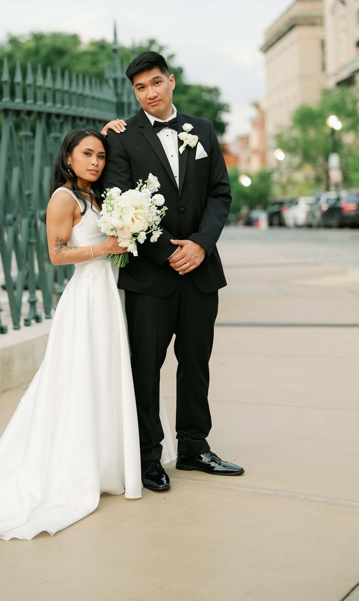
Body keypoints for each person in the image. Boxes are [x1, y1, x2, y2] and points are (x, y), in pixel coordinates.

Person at [0, 130, 173, 545]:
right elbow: (57, 254)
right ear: (69, 158)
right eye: (87, 154)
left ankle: (108, 461)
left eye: (100, 155)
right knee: (80, 378)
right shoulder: (64, 198)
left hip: (108, 295)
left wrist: (124, 240)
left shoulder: (97, 198)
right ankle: (76, 467)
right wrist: (107, 246)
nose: (95, 161)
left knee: (107, 378)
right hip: (86, 299)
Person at [100, 50, 239, 493]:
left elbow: (220, 193)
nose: (149, 93)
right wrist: (166, 252)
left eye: (156, 83)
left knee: (196, 362)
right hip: (150, 276)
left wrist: (201, 244)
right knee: (147, 367)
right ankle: (147, 457)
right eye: (140, 87)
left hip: (201, 270)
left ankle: (195, 447)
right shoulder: (120, 138)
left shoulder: (202, 130)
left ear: (171, 81)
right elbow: (118, 201)